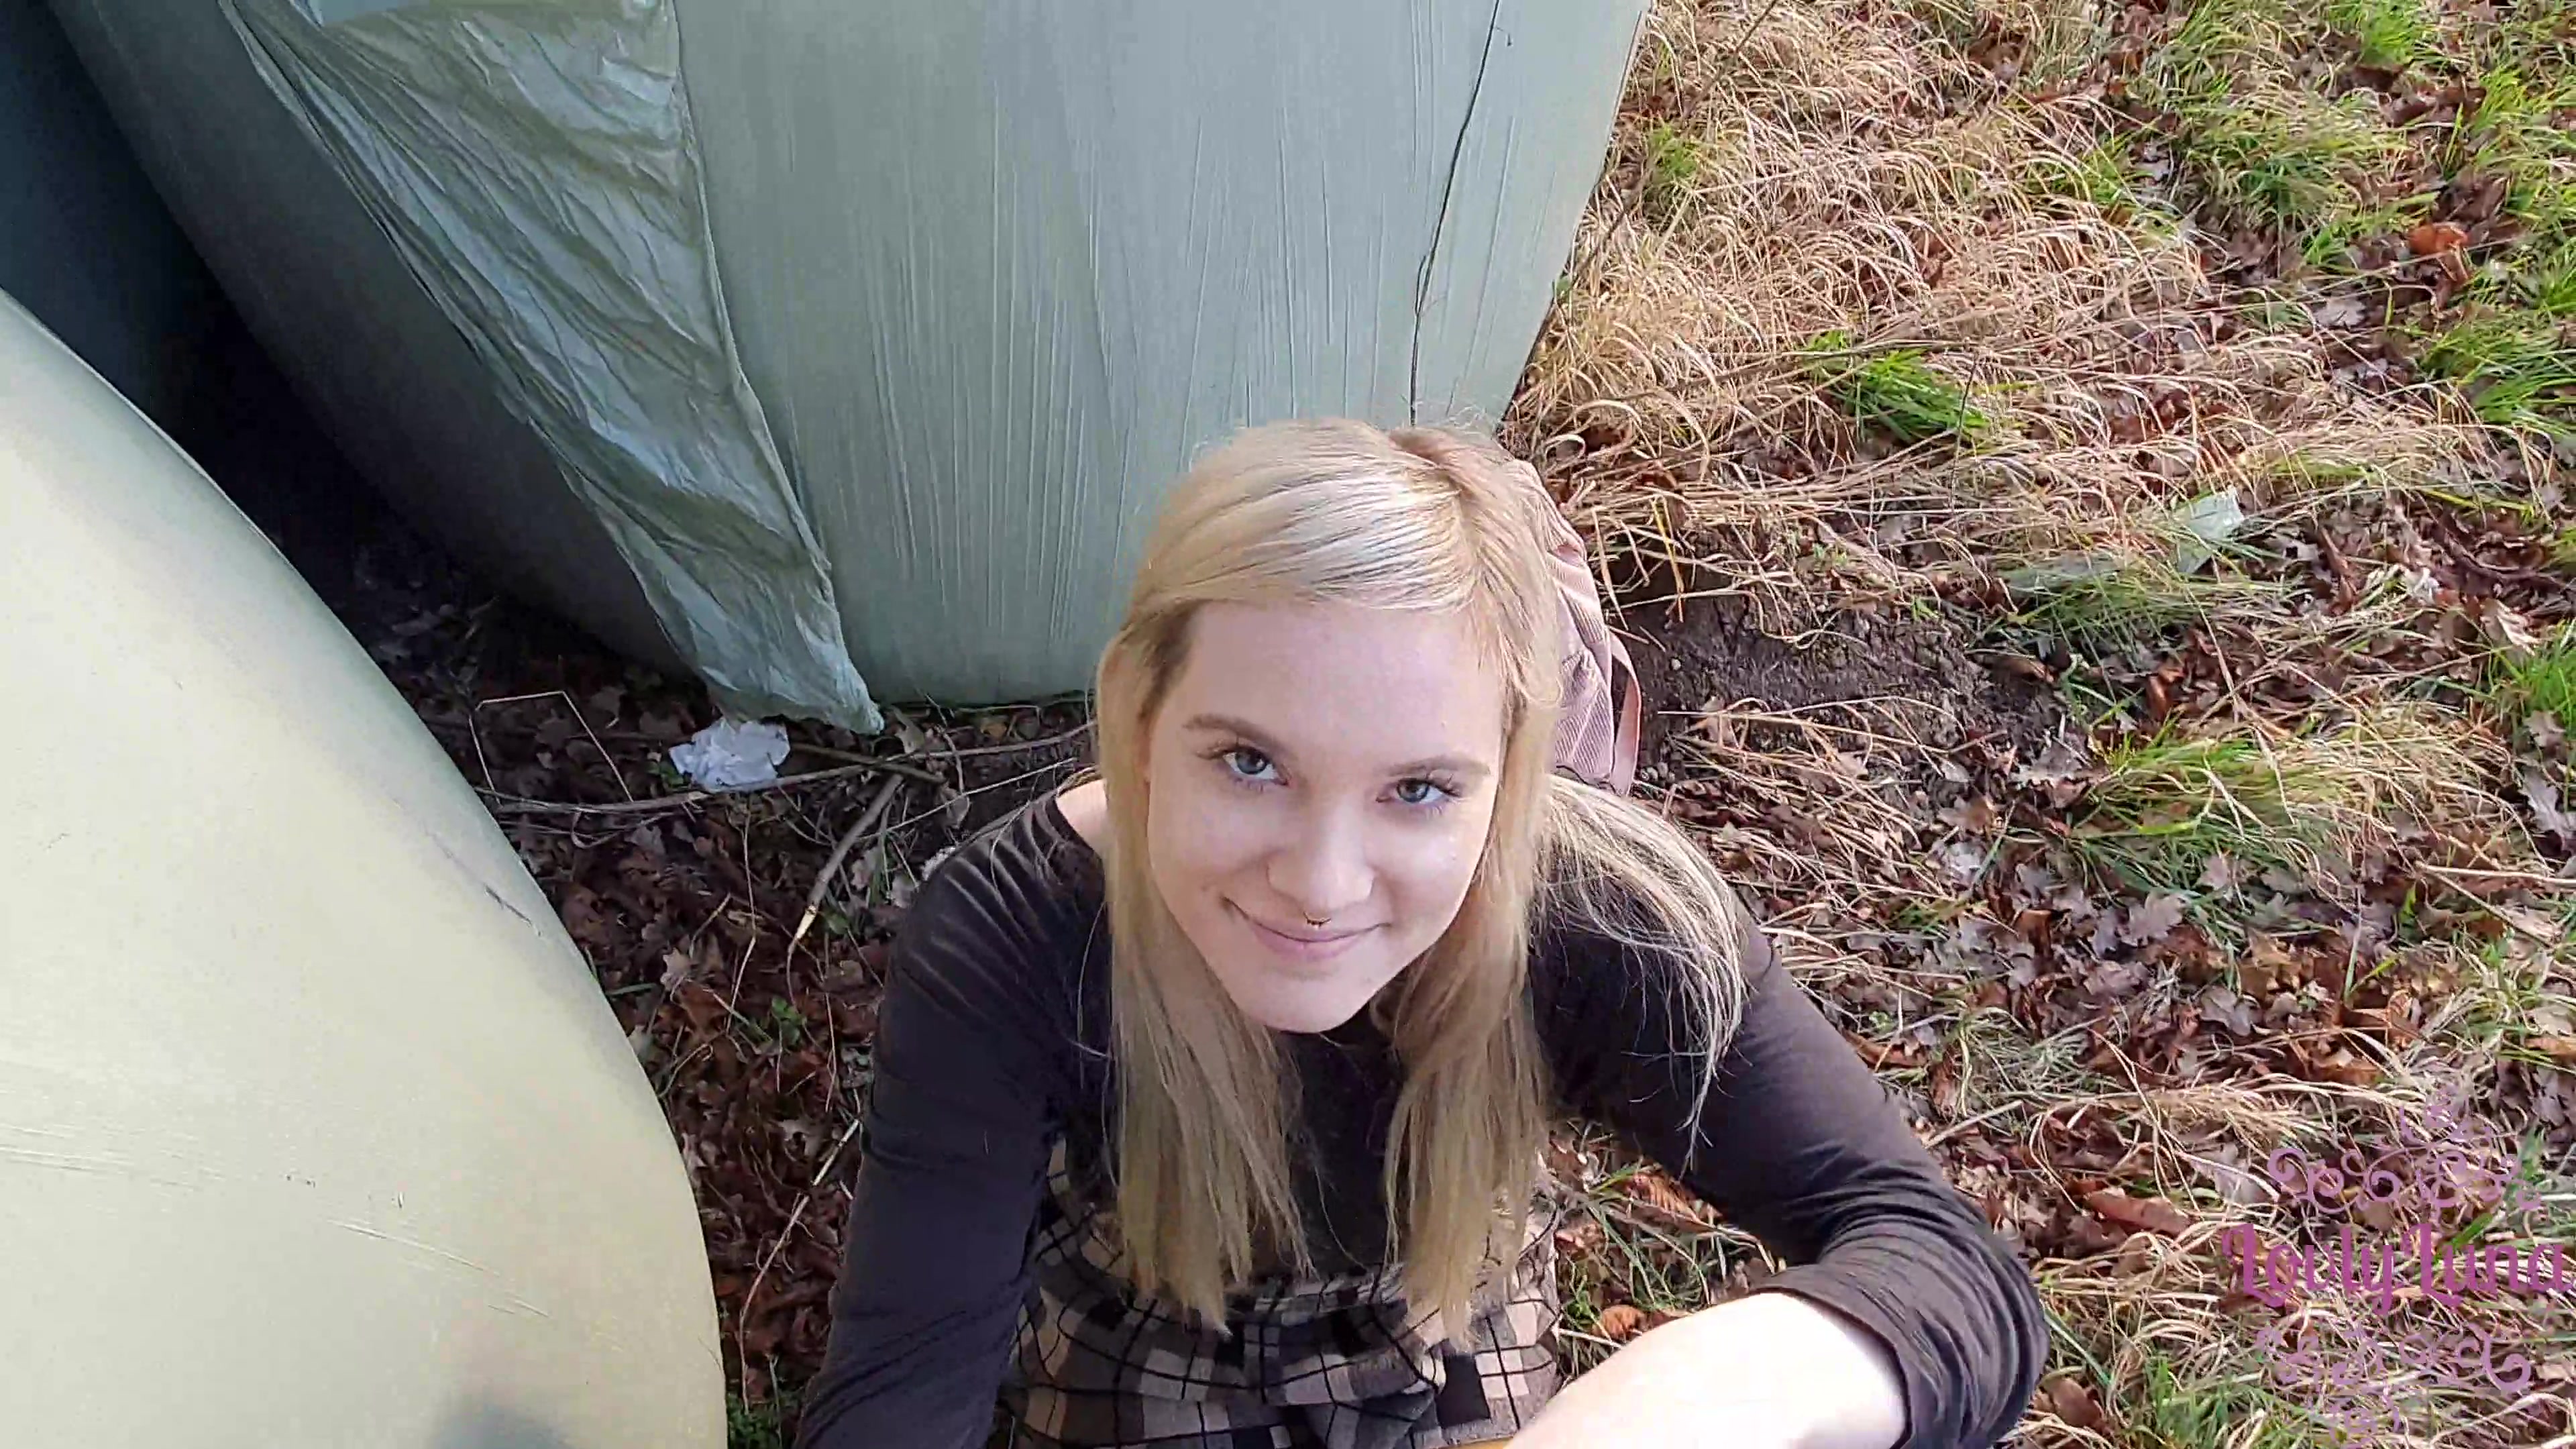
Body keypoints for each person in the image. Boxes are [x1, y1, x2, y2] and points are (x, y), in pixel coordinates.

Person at [793, 420, 2047, 1449]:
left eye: (1420, 789)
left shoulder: (1602, 916)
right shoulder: (1017, 930)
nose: (1320, 884)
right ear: (1136, 715)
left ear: (1513, 775)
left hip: (1441, 1321)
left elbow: (1947, 1269)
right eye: (1249, 762)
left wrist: (1687, 1400)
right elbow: (900, 1391)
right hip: (1147, 1302)